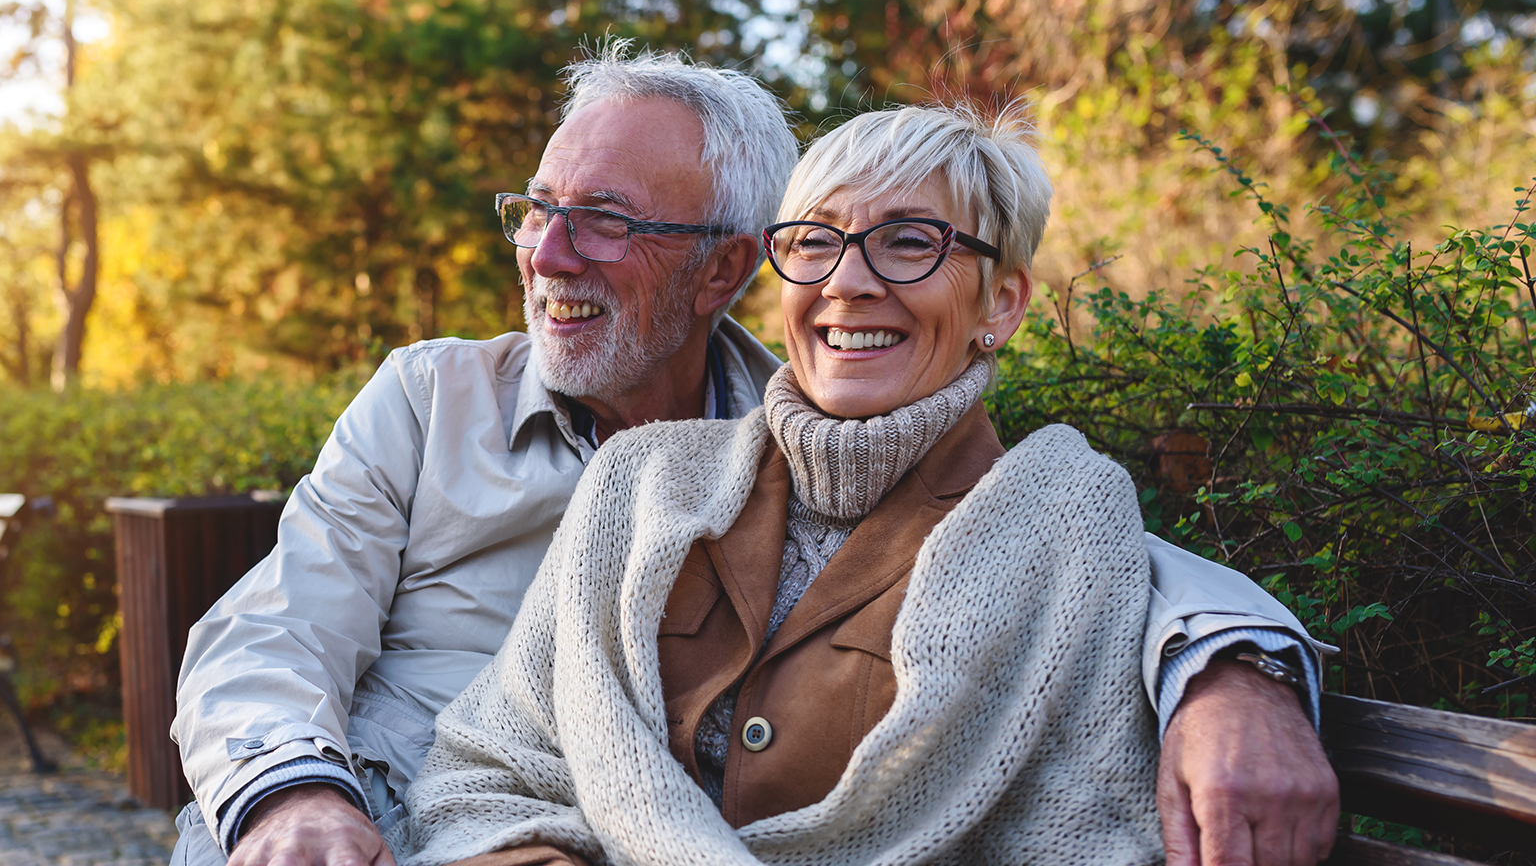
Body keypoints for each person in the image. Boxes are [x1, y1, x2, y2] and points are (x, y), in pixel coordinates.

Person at [169, 46, 1336, 866]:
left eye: (607, 219)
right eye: (536, 209)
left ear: (725, 270)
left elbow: (1066, 540)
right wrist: (290, 795)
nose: (549, 254)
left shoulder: (804, 438)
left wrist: (1235, 667)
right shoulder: (439, 402)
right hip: (361, 810)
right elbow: (273, 630)